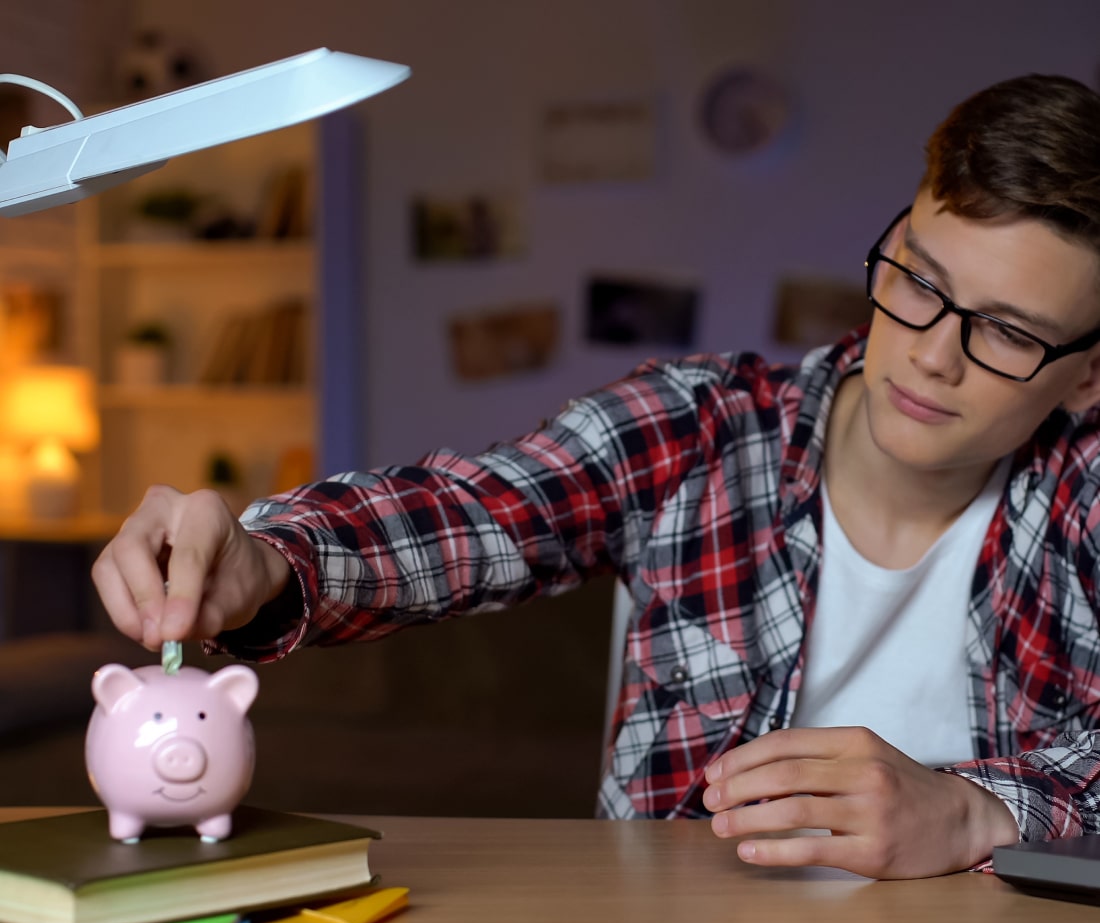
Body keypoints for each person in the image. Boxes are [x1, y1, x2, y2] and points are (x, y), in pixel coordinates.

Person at [93, 73, 1100, 880]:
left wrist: (977, 810)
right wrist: (269, 562)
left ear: (1086, 374)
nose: (930, 353)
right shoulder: (697, 426)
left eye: (1007, 332)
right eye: (917, 281)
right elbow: (478, 510)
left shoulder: (1082, 497)